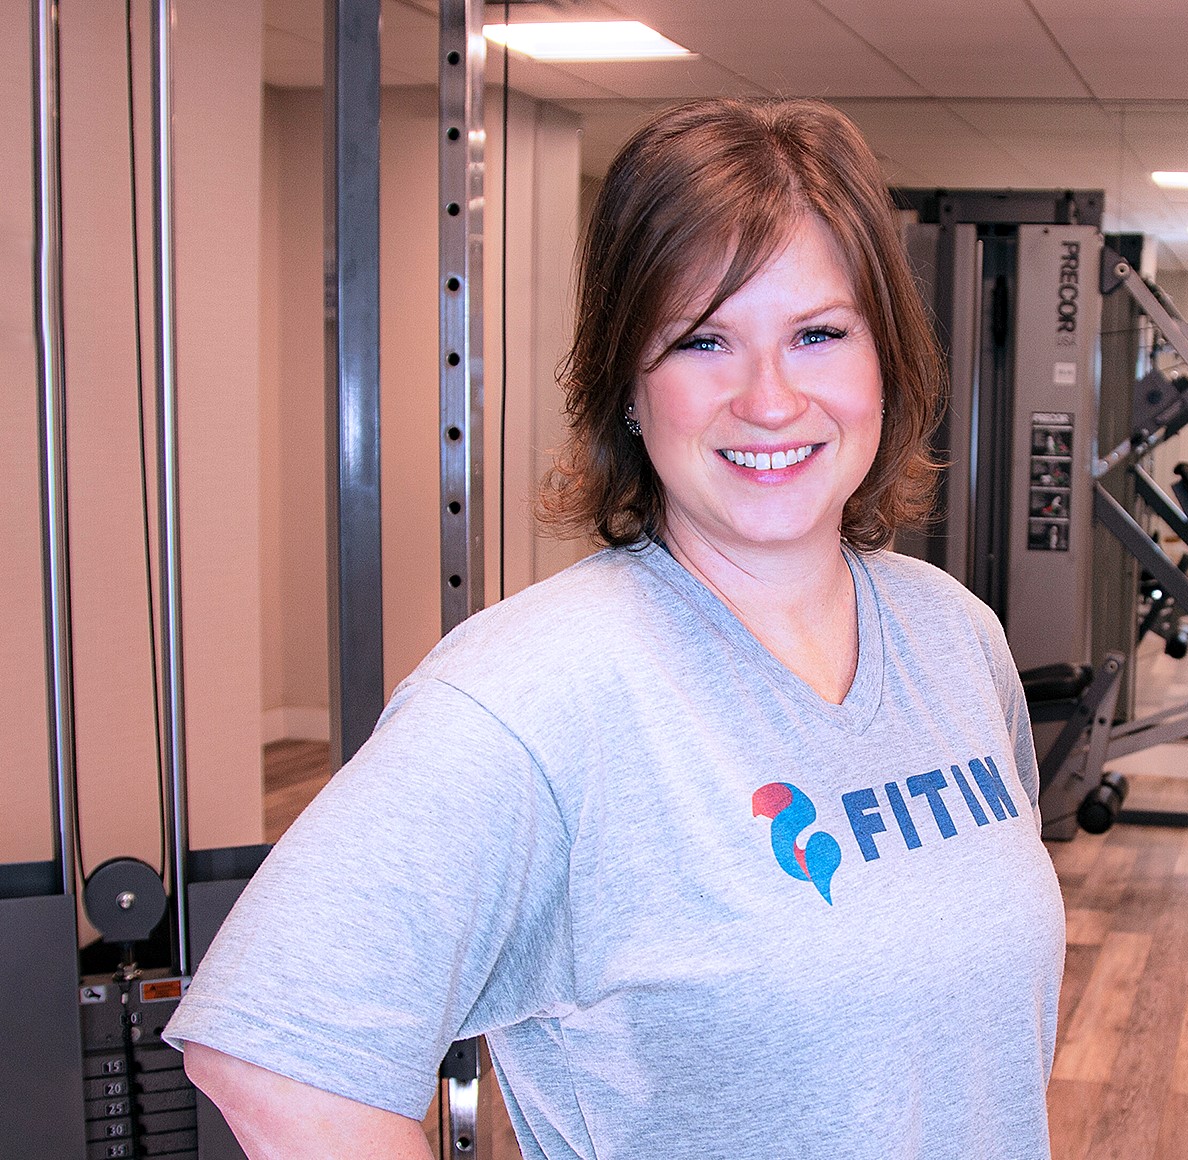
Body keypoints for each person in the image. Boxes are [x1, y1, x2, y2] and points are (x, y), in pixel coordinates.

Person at [167, 97, 1067, 1158]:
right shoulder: (531, 693)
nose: (769, 399)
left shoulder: (950, 631)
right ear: (629, 390)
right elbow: (275, 1056)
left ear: (884, 362)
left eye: (818, 334)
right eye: (703, 342)